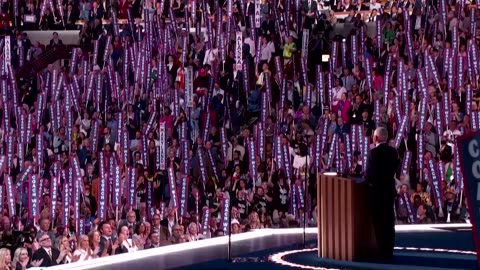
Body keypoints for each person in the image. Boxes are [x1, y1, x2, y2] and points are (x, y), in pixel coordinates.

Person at [365, 127, 400, 262]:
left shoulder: (373, 153)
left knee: (379, 222)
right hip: (389, 190)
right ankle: (389, 251)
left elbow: (369, 174)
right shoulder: (393, 152)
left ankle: (381, 252)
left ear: (376, 138)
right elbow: (396, 167)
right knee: (389, 221)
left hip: (377, 192)